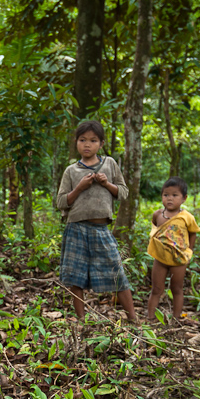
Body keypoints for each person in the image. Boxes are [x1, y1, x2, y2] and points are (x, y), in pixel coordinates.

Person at [55, 120, 137, 321]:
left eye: (93, 140)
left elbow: (124, 192)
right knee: (76, 277)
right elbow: (61, 202)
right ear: (76, 142)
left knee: (117, 274)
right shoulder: (71, 171)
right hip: (76, 228)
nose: (87, 145)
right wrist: (80, 187)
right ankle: (81, 320)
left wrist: (106, 183)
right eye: (82, 140)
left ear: (101, 143)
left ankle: (134, 319)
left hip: (101, 229)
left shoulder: (109, 164)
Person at [147, 177, 200, 320]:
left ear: (184, 198)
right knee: (156, 289)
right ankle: (150, 318)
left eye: (175, 195)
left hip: (178, 258)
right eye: (166, 195)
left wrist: (189, 251)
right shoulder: (158, 214)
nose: (170, 199)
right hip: (160, 258)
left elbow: (193, 233)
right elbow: (155, 230)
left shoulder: (186, 217)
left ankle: (176, 318)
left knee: (176, 289)